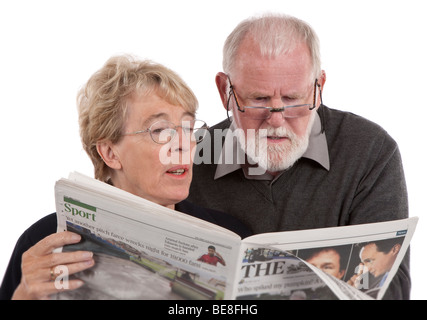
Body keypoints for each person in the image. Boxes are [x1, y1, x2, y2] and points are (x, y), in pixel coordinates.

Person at [187, 13, 410, 299]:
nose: (276, 121)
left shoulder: (371, 151)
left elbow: (392, 288)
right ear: (225, 91)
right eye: (259, 100)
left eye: (293, 99)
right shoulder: (191, 156)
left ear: (319, 89)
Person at [0, 55, 251, 300]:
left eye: (188, 128)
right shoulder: (44, 242)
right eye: (161, 131)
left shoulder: (232, 237)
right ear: (110, 153)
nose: (183, 144)